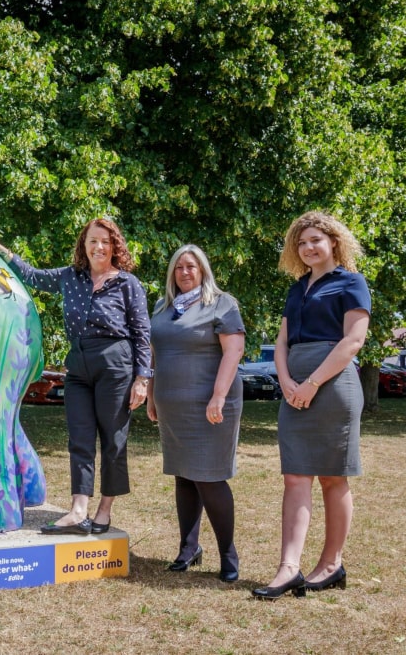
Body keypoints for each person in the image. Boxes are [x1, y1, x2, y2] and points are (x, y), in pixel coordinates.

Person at [0, 219, 151, 535]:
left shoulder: (127, 283)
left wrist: (142, 379)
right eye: (92, 241)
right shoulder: (70, 277)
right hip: (78, 367)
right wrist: (1, 251)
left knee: (113, 441)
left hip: (116, 364)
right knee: (80, 440)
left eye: (105, 242)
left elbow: (141, 333)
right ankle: (77, 510)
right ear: (84, 245)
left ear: (115, 247)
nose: (98, 247)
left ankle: (104, 510)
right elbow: (32, 276)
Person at [251, 211, 371, 600]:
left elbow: (353, 341)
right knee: (295, 476)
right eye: (301, 243)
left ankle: (332, 564)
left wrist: (312, 383)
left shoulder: (352, 283)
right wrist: (285, 381)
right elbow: (282, 341)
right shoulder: (297, 288)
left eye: (315, 240)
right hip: (293, 387)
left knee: (333, 477)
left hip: (334, 386)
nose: (308, 248)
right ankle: (288, 568)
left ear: (334, 241)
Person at [146, 245, 245, 582]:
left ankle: (228, 552)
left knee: (209, 477)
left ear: (203, 270)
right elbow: (156, 354)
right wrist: (151, 396)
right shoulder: (162, 307)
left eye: (191, 266)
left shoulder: (221, 303)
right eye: (179, 268)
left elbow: (234, 351)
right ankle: (189, 548)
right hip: (172, 403)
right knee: (184, 475)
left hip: (211, 404)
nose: (185, 272)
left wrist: (218, 396)